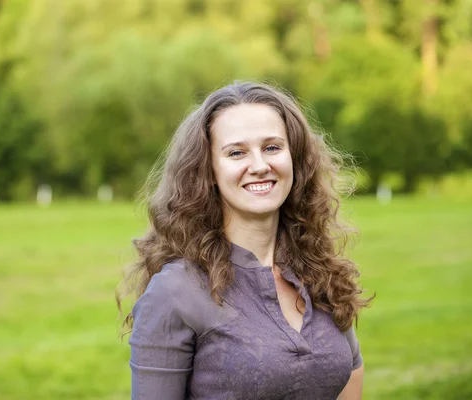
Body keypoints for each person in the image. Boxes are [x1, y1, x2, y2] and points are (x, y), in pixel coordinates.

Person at [117, 81, 373, 399]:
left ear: (295, 157)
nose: (260, 166)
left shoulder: (320, 270)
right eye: (237, 152)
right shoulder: (175, 292)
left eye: (272, 147)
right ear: (208, 170)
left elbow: (351, 374)